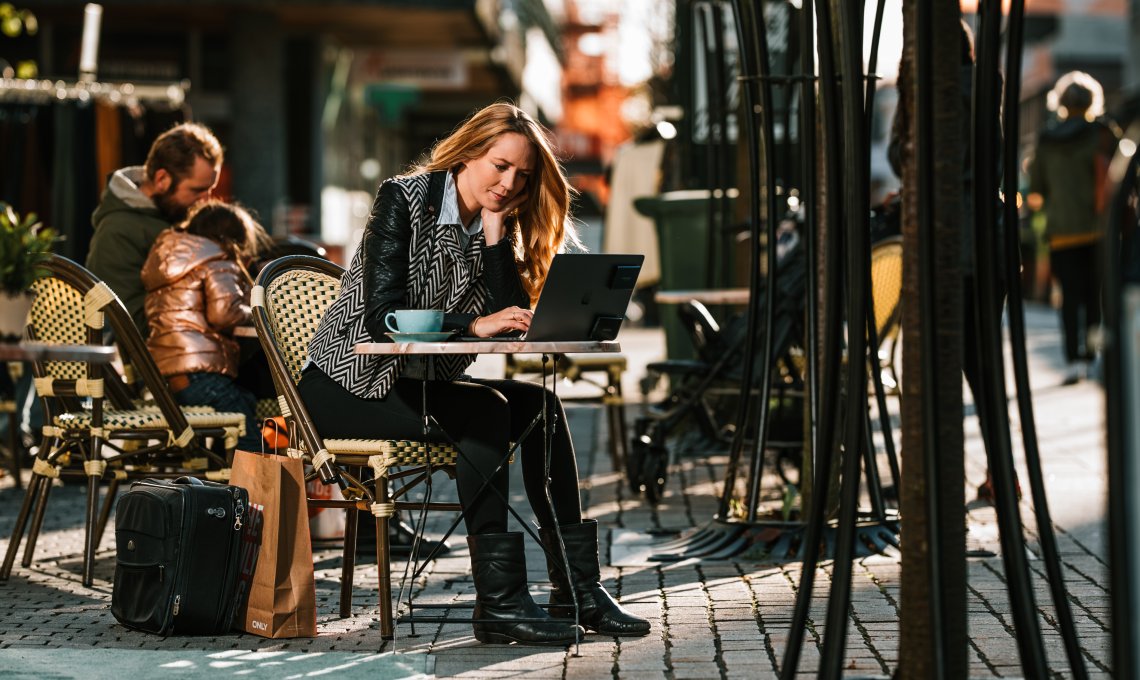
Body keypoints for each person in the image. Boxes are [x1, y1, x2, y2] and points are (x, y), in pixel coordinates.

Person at [302, 102, 650, 645]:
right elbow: (381, 316)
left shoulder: (496, 222)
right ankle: (500, 604)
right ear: (468, 153)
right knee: (487, 412)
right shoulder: (404, 199)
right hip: (347, 383)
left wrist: (493, 240)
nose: (510, 184)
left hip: (419, 383)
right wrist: (474, 322)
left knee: (542, 408)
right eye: (499, 166)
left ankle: (579, 592)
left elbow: (507, 319)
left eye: (523, 175)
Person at [141, 200, 268, 453]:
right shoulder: (218, 260)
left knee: (245, 402)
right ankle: (249, 491)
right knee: (250, 440)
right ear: (233, 240)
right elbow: (224, 313)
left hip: (172, 379)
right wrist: (259, 312)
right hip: (204, 374)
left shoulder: (169, 261)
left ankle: (223, 476)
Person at [88, 122, 223, 339]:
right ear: (162, 179)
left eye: (210, 190)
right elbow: (126, 324)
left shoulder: (178, 219)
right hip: (156, 366)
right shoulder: (116, 233)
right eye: (197, 190)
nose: (206, 200)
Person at [1028, 71, 1120, 385]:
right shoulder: (1103, 133)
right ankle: (1093, 356)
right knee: (1096, 295)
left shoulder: (1046, 137)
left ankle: (1071, 359)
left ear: (1061, 102)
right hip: (1099, 230)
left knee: (1068, 296)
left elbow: (1037, 185)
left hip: (1061, 231)